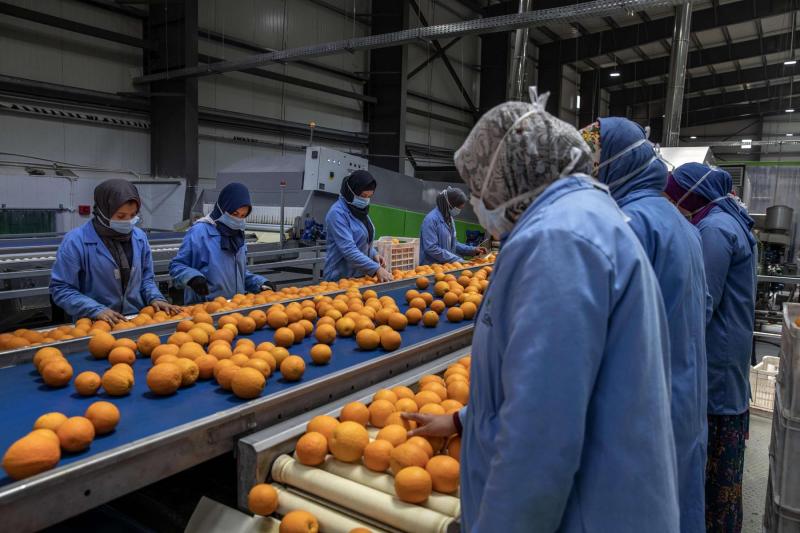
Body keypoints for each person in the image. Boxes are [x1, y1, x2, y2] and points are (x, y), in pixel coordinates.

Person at [406, 89, 679, 532]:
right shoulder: (581, 218)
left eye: (480, 188)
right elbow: (554, 386)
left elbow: (539, 438)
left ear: (511, 177)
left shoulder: (558, 241)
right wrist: (462, 420)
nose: (479, 203)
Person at [579, 118, 709, 533]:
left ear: (613, 166)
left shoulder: (627, 226)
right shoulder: (682, 226)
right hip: (682, 401)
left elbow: (583, 345)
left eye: (591, 165)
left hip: (638, 415)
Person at [664, 163, 757, 533]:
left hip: (715, 361)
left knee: (714, 465)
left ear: (691, 193)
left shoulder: (714, 229)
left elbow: (700, 302)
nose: (673, 202)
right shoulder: (725, 221)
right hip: (728, 354)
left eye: (673, 195)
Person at [50, 179, 179, 323]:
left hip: (134, 320)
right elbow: (61, 288)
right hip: (95, 324)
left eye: (133, 215)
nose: (128, 221)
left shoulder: (139, 238)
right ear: (103, 211)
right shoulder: (76, 241)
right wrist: (95, 309)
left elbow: (146, 279)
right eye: (121, 216)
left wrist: (155, 297)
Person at [170, 182, 274, 304]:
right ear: (223, 207)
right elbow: (177, 266)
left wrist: (260, 283)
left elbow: (239, 274)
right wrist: (192, 277)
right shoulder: (200, 232)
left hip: (234, 308)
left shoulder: (238, 235)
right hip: (205, 310)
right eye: (234, 214)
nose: (237, 219)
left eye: (243, 215)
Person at [323, 170, 392, 282]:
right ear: (350, 192)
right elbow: (349, 250)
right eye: (363, 196)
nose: (365, 200)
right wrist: (376, 268)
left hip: (358, 278)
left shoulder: (359, 211)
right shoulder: (337, 214)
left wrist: (373, 254)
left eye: (369, 196)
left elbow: (363, 239)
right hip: (339, 279)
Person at [419, 187, 486, 264]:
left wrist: (472, 250)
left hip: (445, 267)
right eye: (458, 208)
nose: (458, 211)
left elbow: (453, 244)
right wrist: (457, 260)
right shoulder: (431, 220)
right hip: (430, 267)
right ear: (450, 204)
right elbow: (431, 248)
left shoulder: (449, 219)